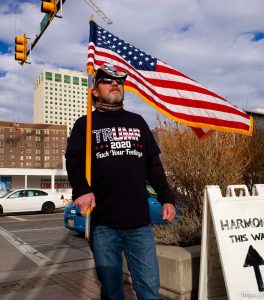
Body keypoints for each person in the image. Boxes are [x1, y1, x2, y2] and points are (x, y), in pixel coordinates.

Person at [65, 63, 176, 300]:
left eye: (119, 80)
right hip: (104, 224)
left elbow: (153, 167)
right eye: (106, 80)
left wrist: (167, 198)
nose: (115, 83)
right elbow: (73, 161)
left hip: (140, 225)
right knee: (112, 291)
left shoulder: (137, 122)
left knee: (149, 290)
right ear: (95, 90)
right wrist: (82, 190)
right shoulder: (84, 125)